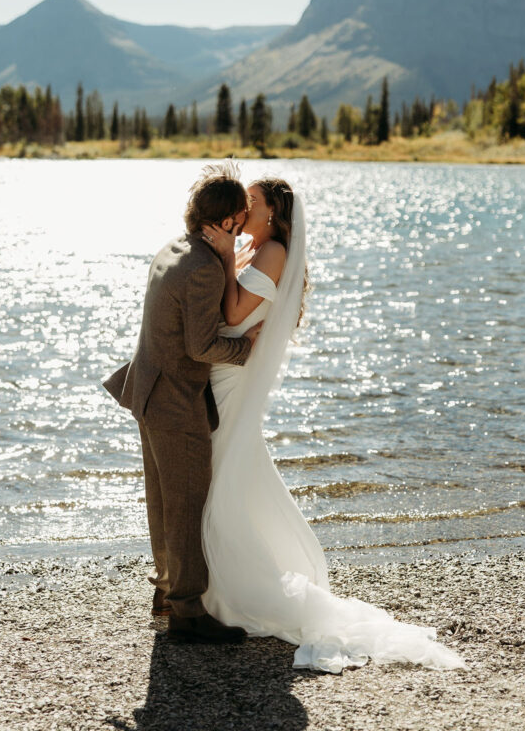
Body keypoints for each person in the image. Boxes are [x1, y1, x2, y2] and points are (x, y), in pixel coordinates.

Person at [200, 176, 466, 674]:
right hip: (223, 371)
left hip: (232, 380)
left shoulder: (273, 252)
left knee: (223, 471)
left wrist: (219, 252)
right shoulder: (252, 249)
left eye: (251, 203)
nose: (242, 207)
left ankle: (225, 585)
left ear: (274, 215)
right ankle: (210, 579)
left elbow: (234, 309)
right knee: (229, 470)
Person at [102, 162, 262, 645]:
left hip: (145, 390)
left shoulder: (175, 247)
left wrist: (226, 255)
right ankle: (188, 614)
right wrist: (246, 348)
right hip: (173, 400)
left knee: (162, 502)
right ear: (229, 221)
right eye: (241, 218)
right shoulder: (203, 269)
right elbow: (202, 347)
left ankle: (167, 591)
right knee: (187, 502)